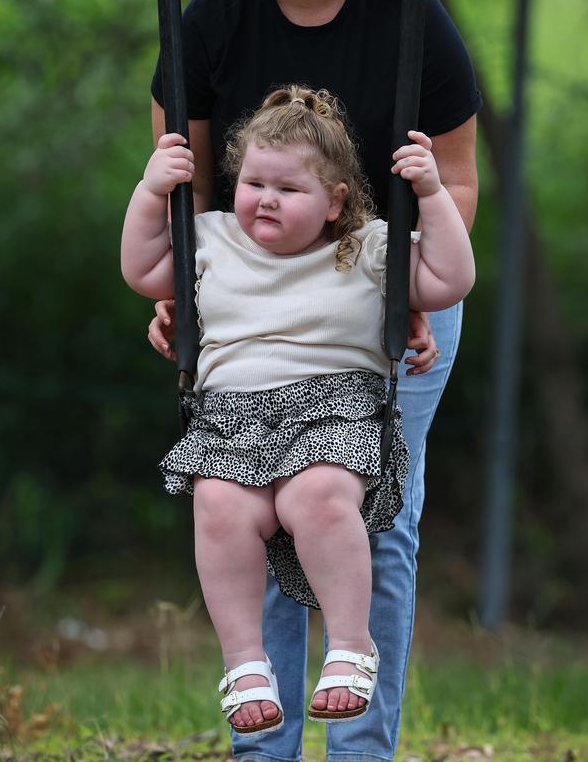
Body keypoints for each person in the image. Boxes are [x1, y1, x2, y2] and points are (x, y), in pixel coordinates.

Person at [147, 0, 480, 762]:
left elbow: (454, 176)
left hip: (383, 296)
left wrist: (417, 292)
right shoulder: (215, 15)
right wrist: (183, 284)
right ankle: (268, 747)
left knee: (368, 516)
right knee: (251, 504)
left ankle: (362, 746)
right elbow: (184, 176)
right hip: (253, 303)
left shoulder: (406, 15)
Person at [122, 86, 475, 735]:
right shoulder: (213, 237)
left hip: (333, 413)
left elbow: (449, 280)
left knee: (313, 499)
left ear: (336, 200)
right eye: (254, 181)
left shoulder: (366, 246)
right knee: (220, 506)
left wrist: (432, 196)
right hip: (232, 418)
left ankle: (349, 644)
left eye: (289, 188)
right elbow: (144, 271)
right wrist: (151, 192)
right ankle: (245, 661)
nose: (266, 198)